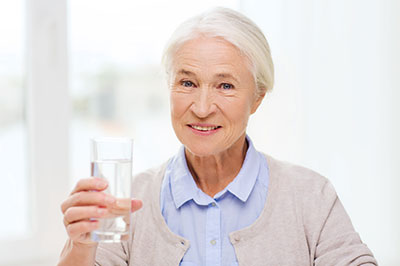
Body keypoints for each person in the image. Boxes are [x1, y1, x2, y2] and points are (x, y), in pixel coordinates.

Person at [58, 7, 377, 266]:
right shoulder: (127, 200)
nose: (201, 107)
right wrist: (80, 248)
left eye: (225, 86)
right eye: (187, 83)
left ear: (258, 97)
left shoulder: (310, 195)